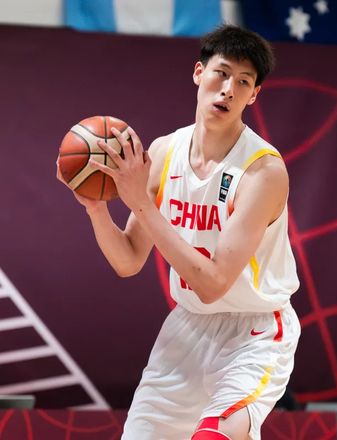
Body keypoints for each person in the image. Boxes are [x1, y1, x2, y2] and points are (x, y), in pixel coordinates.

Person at [57, 25, 300, 440]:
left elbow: (213, 284)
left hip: (255, 332)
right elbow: (128, 261)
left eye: (243, 82)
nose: (228, 89)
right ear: (199, 73)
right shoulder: (165, 151)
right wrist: (95, 207)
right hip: (187, 329)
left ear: (253, 95)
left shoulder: (263, 172)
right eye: (222, 73)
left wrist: (141, 202)